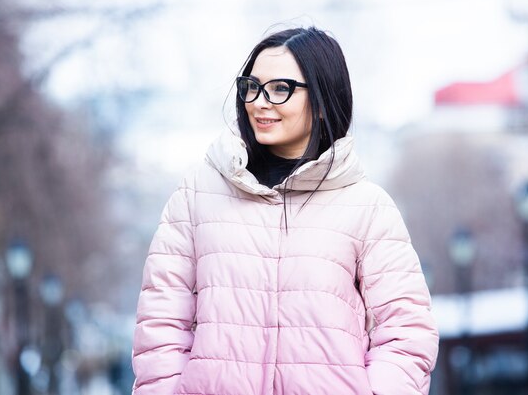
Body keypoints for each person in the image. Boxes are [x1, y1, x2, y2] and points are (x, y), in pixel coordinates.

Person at [132, 26, 439, 395]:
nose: (260, 102)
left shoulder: (368, 208)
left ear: (324, 102)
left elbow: (405, 331)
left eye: (280, 88)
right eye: (252, 86)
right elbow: (161, 323)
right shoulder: (197, 195)